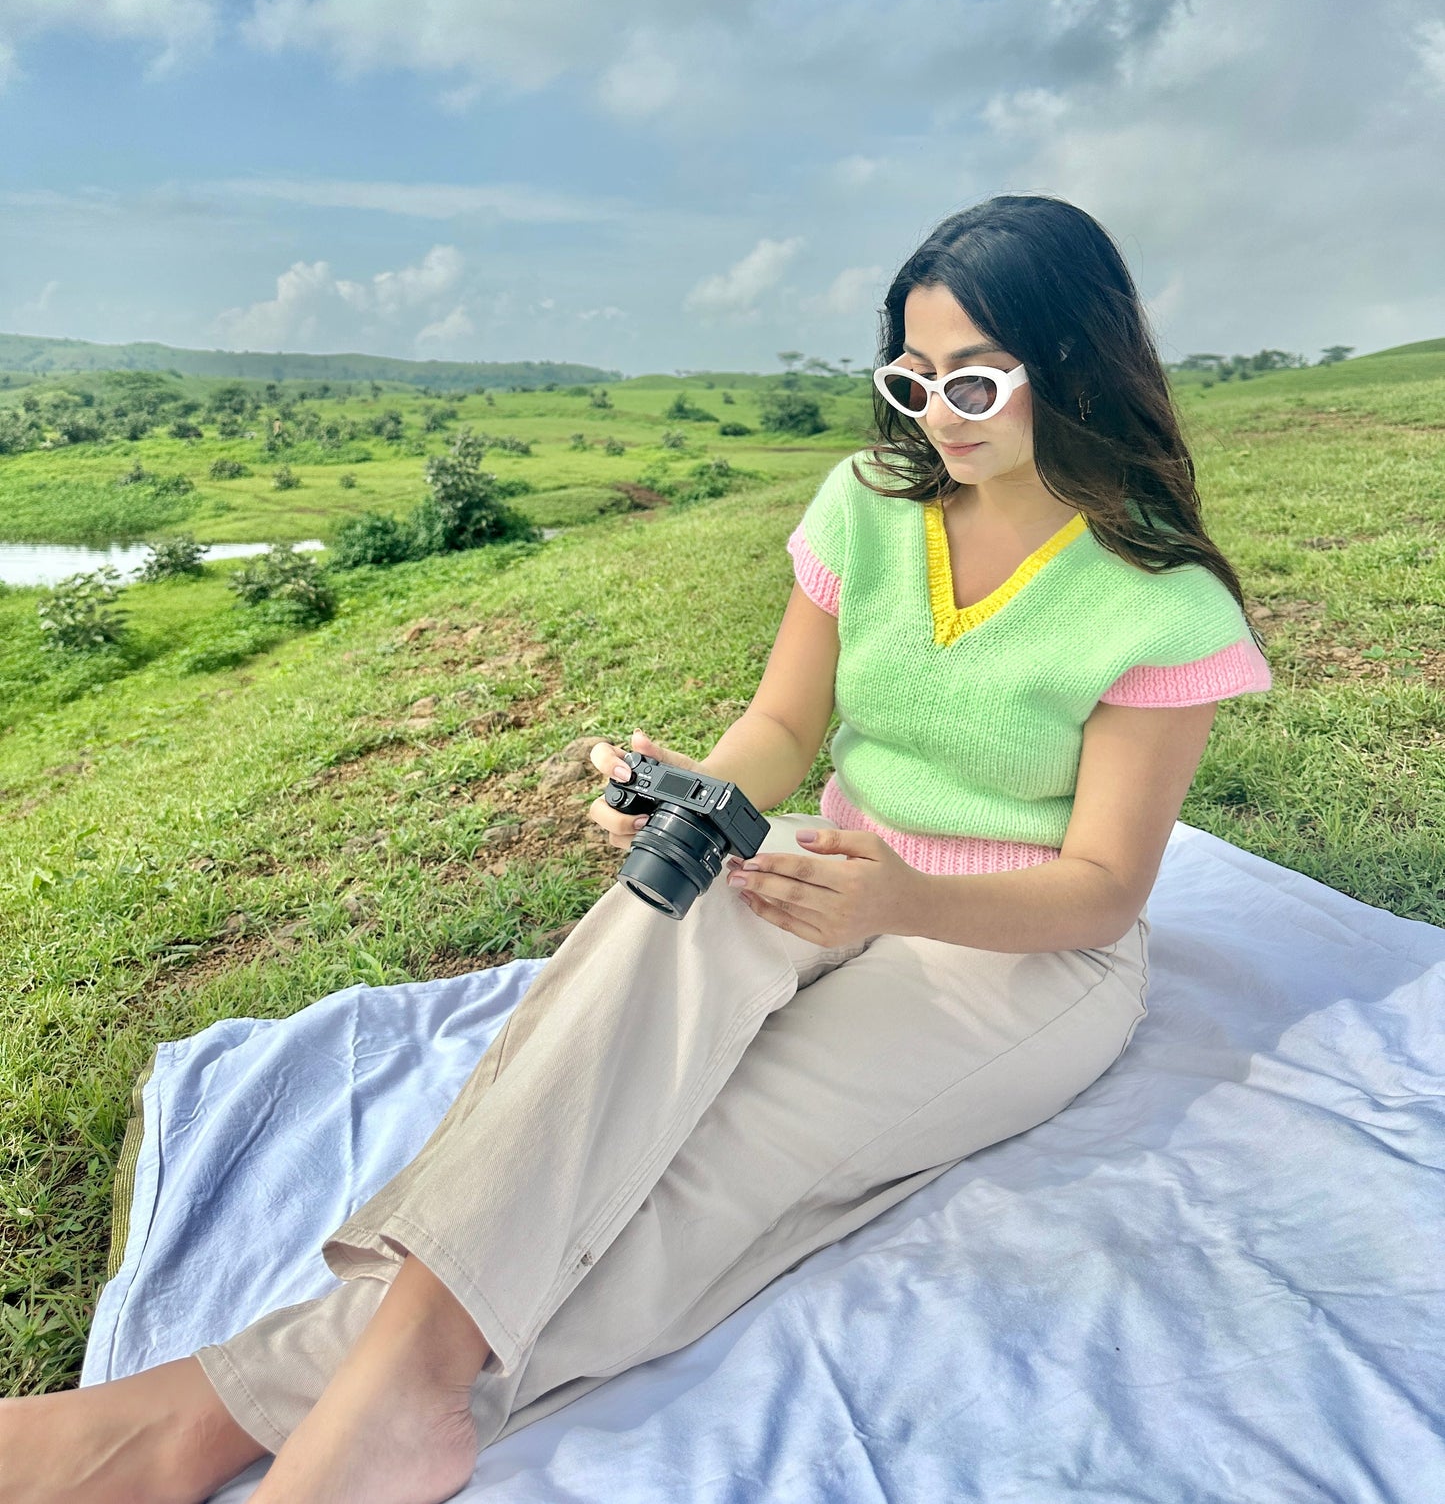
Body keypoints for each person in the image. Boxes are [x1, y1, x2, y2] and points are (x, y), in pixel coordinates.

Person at [0, 194, 1271, 1504]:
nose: (934, 411)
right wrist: (684, 798)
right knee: (631, 963)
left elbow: (1105, 892)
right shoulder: (868, 508)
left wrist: (902, 897)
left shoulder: (1154, 601)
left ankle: (194, 1418)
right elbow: (783, 724)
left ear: (1068, 363)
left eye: (970, 378)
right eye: (908, 375)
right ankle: (385, 1390)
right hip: (824, 866)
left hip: (1013, 954)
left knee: (706, 1164)